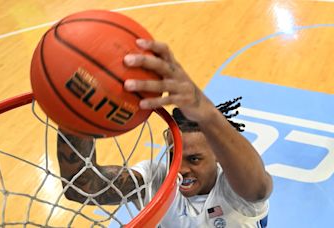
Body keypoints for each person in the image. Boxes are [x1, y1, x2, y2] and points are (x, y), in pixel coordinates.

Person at [56, 39, 272, 227]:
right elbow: (81, 187)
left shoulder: (234, 190)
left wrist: (207, 114)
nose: (180, 168)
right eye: (173, 156)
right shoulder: (157, 180)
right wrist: (76, 116)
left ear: (218, 156)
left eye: (194, 159)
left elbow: (259, 189)